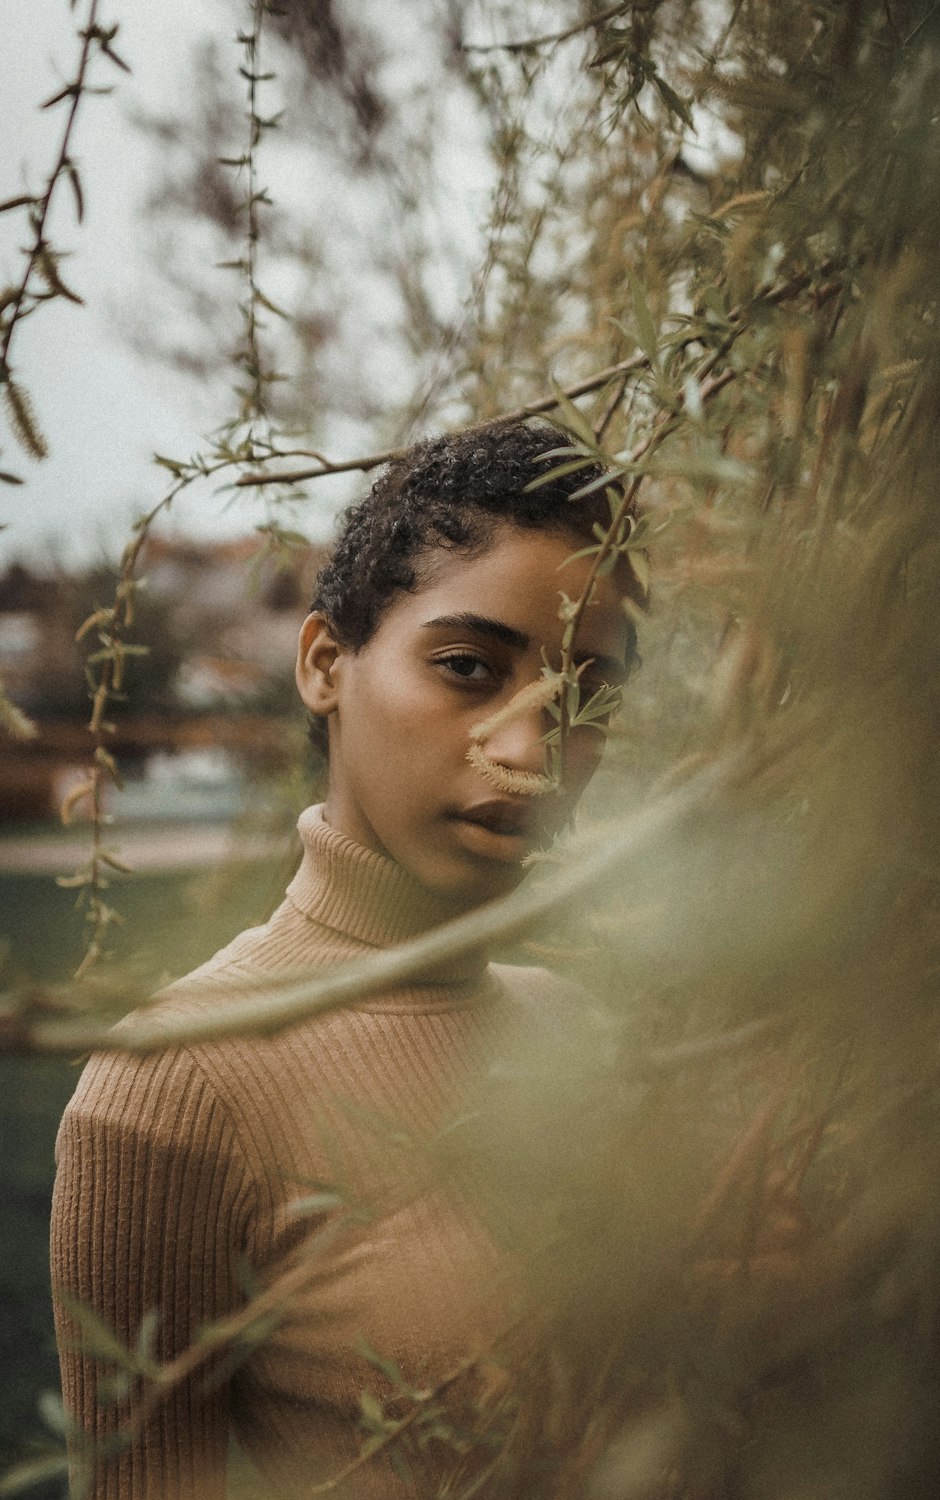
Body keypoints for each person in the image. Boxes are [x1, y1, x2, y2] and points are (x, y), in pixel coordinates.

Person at [50, 418, 641, 1499]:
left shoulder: (578, 1031)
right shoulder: (174, 1085)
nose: (529, 753)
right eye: (468, 667)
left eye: (585, 697)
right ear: (325, 663)